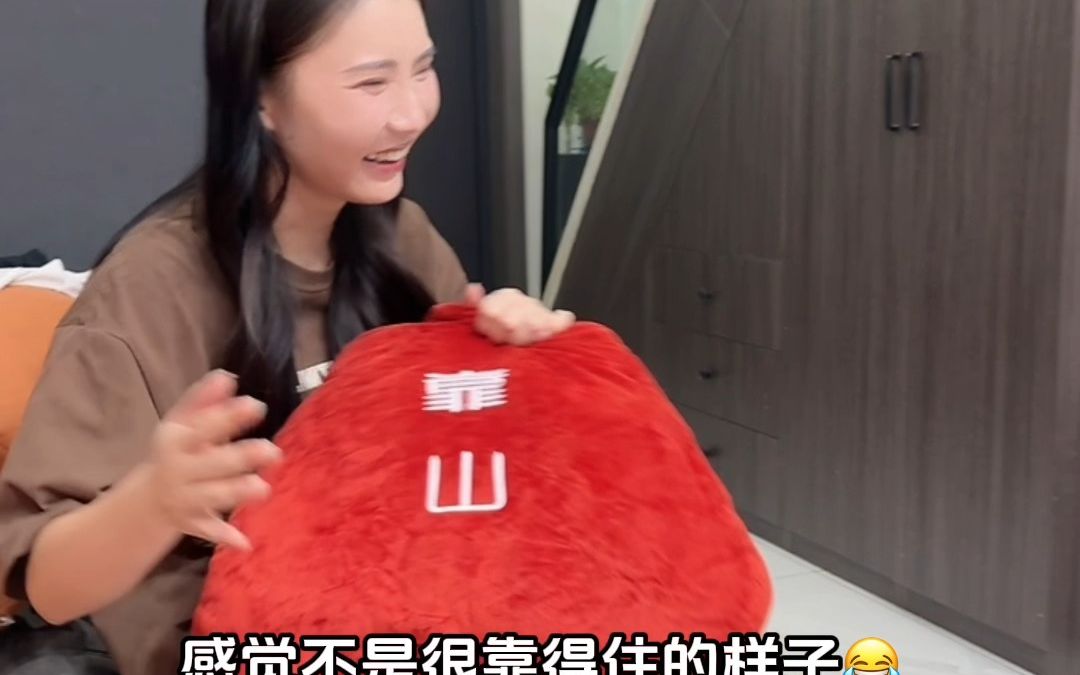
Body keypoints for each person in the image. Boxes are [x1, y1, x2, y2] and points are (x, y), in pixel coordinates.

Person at [0, 1, 575, 673]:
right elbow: (45, 584)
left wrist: (513, 361)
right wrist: (152, 503)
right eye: (371, 82)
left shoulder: (405, 241)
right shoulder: (148, 293)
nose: (412, 113)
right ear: (262, 97)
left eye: (423, 69)